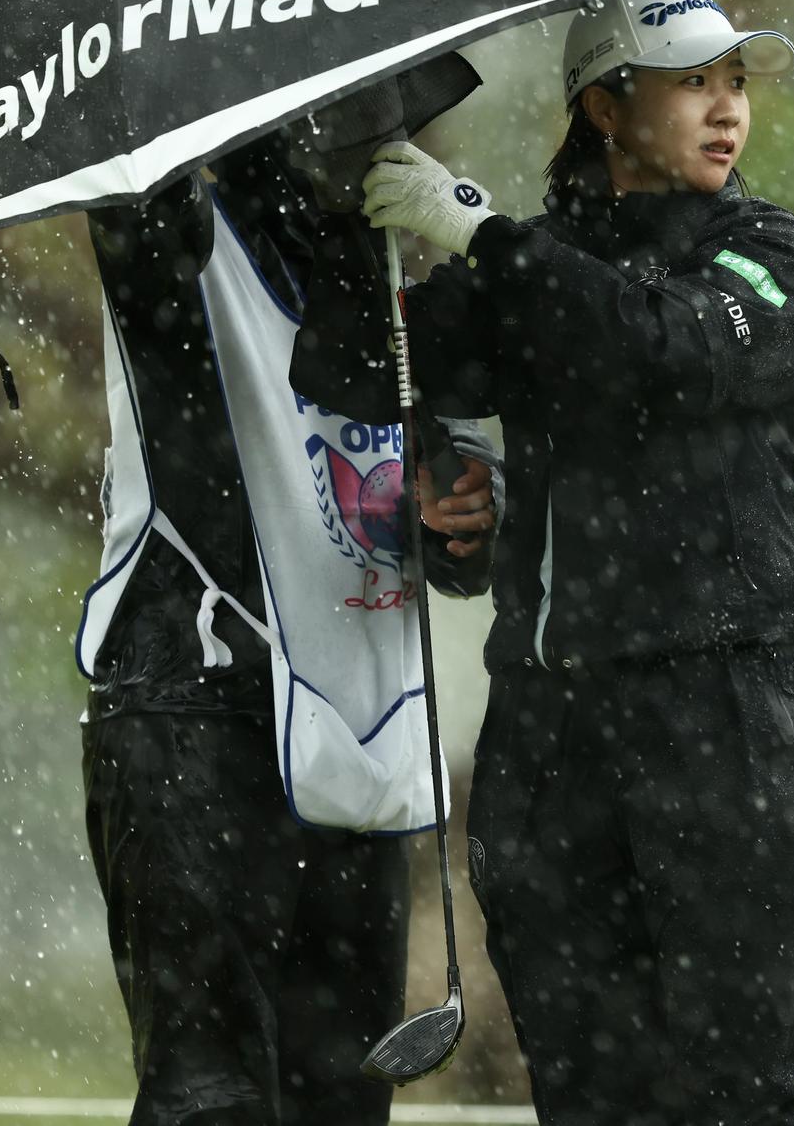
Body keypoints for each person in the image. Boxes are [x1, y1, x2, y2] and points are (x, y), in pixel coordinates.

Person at [298, 0, 794, 1125]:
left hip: (726, 716)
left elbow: (661, 347)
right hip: (552, 732)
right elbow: (339, 365)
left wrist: (477, 232)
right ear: (605, 107)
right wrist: (443, 470)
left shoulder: (768, 256)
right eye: (692, 81)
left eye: (733, 81)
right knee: (587, 1092)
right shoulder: (527, 271)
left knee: (742, 1091)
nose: (726, 108)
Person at [77, 56, 500, 1126]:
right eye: (352, 123)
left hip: (349, 744)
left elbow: (428, 519)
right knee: (211, 1101)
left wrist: (459, 519)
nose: (382, 144)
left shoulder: (390, 294)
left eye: (390, 120)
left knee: (338, 1108)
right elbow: (131, 194)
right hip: (192, 715)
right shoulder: (183, 235)